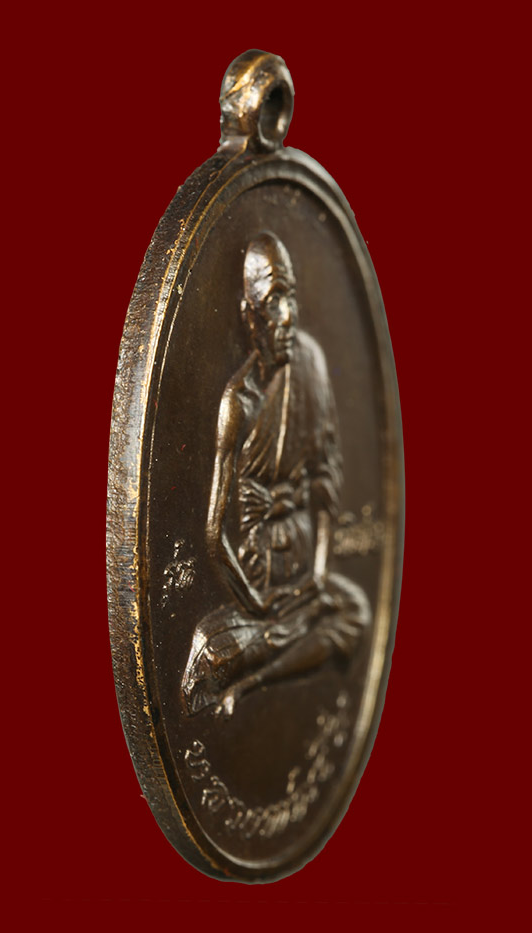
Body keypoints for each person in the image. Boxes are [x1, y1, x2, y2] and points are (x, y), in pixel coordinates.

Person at [181, 232, 371, 718]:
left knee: (356, 612)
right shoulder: (238, 403)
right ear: (251, 317)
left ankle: (254, 683)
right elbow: (213, 533)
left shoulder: (310, 363)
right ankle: (266, 649)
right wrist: (255, 604)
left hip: (306, 567)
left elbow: (326, 476)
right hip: (258, 576)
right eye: (272, 302)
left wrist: (321, 573)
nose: (288, 317)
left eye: (291, 298)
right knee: (210, 657)